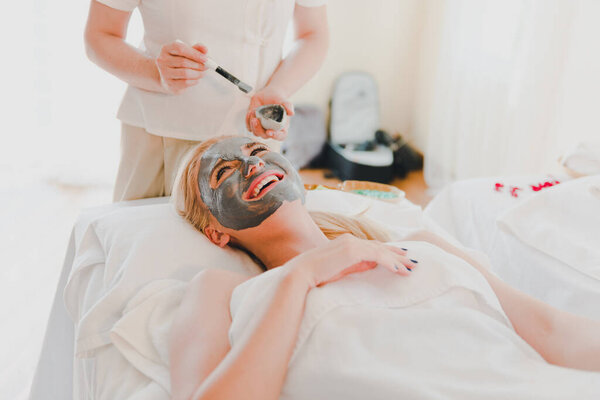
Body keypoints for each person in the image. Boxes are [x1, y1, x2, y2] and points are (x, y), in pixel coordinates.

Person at [168, 135, 600, 400]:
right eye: (225, 170)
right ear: (215, 232)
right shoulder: (221, 290)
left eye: (259, 150)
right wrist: (301, 275)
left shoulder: (422, 245)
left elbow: (550, 329)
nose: (253, 164)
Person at [84, 0, 329, 201]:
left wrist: (279, 88)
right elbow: (99, 35)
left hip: (256, 141)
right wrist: (157, 74)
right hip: (162, 138)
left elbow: (313, 33)